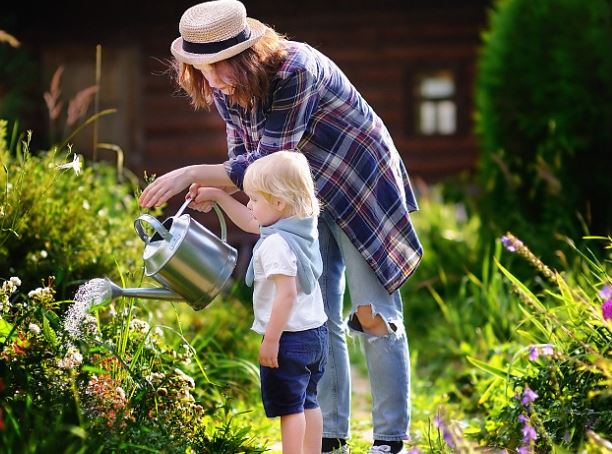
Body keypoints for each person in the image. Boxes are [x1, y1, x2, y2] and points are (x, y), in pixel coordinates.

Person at [139, 1, 423, 453]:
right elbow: (243, 166)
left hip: (356, 182)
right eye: (201, 68)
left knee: (375, 315)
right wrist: (221, 192)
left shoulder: (296, 70)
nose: (213, 80)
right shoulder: (222, 87)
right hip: (301, 199)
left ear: (246, 54)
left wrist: (192, 172)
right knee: (316, 315)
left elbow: (269, 162)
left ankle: (390, 439)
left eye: (219, 67)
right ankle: (329, 435)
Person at [187, 150, 328, 453]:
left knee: (290, 409)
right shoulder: (302, 223)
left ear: (278, 203)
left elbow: (286, 294)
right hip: (316, 332)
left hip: (288, 337)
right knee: (309, 402)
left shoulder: (276, 244)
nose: (249, 205)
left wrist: (271, 340)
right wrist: (219, 197)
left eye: (254, 199)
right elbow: (255, 222)